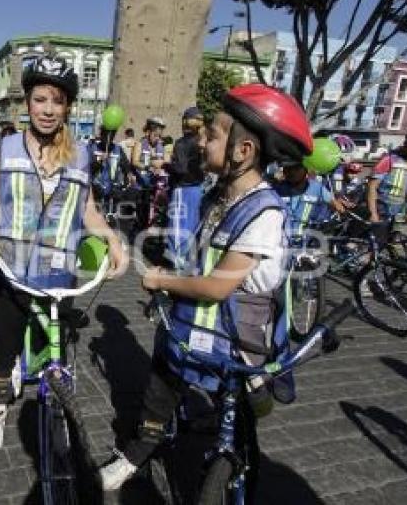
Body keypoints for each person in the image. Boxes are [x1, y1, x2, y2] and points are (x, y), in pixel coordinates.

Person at [99, 84, 313, 491]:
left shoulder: (263, 212)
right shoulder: (218, 197)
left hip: (232, 343)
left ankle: (240, 457)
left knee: (234, 415)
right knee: (158, 395)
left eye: (212, 134)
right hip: (186, 330)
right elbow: (200, 260)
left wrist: (161, 280)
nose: (201, 139)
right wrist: (171, 271)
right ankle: (137, 453)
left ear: (243, 151)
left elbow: (217, 286)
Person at [0, 55, 128, 451]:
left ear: (67, 107)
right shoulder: (4, 148)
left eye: (57, 101)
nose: (47, 109)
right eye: (40, 99)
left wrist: (113, 240)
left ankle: (59, 412)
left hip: (59, 274)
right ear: (27, 102)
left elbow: (88, 208)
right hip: (11, 270)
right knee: (4, 352)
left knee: (58, 353)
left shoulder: (80, 155)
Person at [164, 106, 206, 269]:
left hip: (182, 187)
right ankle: (188, 259)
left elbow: (180, 168)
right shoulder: (202, 142)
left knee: (177, 224)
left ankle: (176, 260)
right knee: (192, 224)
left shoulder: (182, 143)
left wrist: (165, 165)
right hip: (197, 188)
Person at [367, 125, 407, 234]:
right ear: (406, 143)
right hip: (384, 215)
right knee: (375, 247)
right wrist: (373, 213)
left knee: (402, 248)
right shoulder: (389, 159)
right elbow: (372, 187)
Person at [274, 161, 346, 237]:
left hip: (307, 242)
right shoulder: (276, 189)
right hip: (281, 241)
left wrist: (341, 207)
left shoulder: (317, 187)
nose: (292, 172)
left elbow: (336, 205)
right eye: (288, 168)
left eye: (296, 168)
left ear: (305, 170)